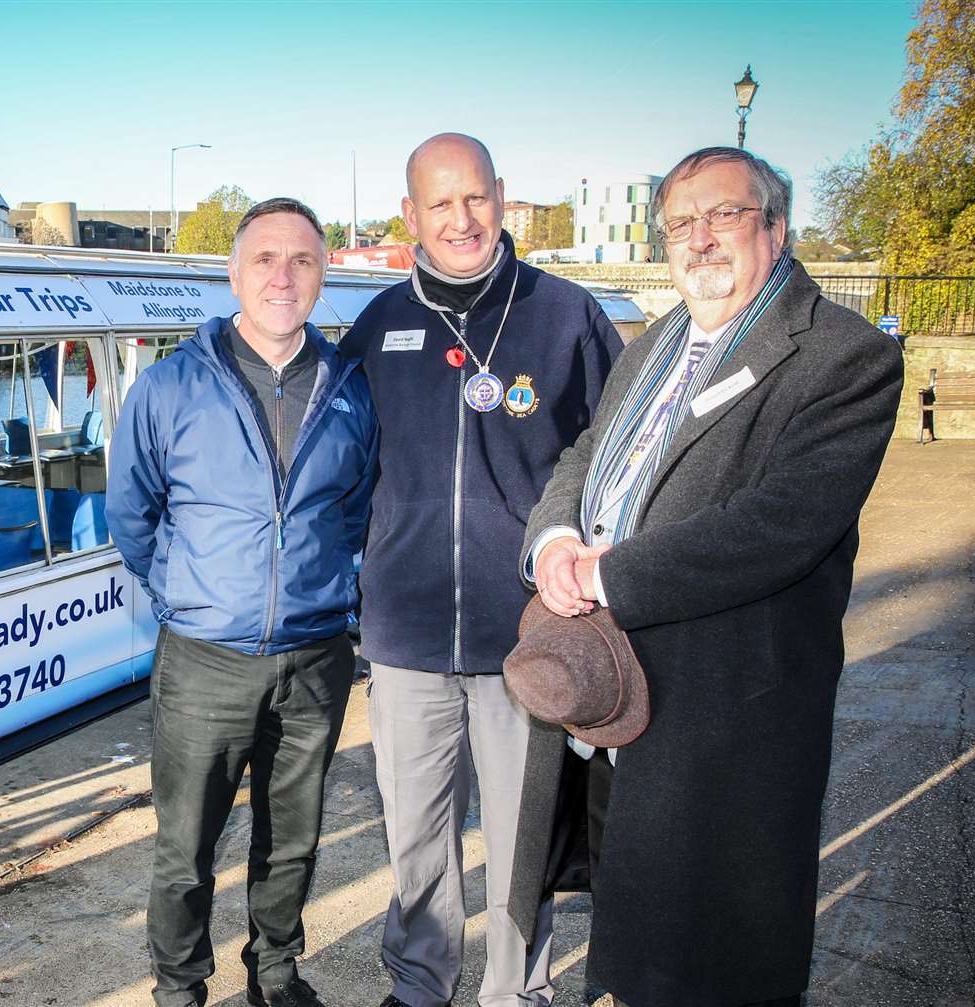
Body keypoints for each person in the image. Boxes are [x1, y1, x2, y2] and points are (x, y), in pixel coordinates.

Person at [521, 146, 904, 1007]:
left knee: (723, 952)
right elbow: (585, 455)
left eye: (723, 215)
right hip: (619, 699)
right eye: (679, 223)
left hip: (728, 713)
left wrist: (609, 573)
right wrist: (551, 541)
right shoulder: (656, 340)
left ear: (776, 225)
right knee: (636, 925)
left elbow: (776, 526)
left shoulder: (840, 356)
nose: (699, 239)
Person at [340, 134, 621, 1007]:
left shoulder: (566, 315)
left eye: (475, 198)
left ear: (502, 196)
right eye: (439, 203)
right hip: (406, 634)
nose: (460, 220)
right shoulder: (378, 325)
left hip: (527, 633)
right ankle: (421, 986)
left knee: (520, 833)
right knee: (416, 833)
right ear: (410, 215)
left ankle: (517, 991)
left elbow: (617, 459)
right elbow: (337, 468)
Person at [108, 196, 378, 1007]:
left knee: (291, 837)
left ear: (323, 275)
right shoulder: (169, 387)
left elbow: (354, 510)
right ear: (232, 273)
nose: (282, 275)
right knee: (184, 846)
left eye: (301, 259)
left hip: (316, 656)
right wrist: (190, 595)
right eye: (264, 258)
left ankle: (275, 971)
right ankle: (180, 987)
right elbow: (132, 512)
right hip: (204, 663)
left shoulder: (351, 393)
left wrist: (319, 589)